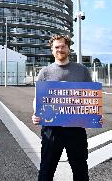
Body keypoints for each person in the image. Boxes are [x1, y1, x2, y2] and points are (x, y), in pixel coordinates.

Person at [31, 35, 103, 181]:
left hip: (76, 128)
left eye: (63, 46)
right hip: (52, 128)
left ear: (69, 48)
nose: (60, 49)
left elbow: (90, 98)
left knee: (80, 170)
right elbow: (38, 98)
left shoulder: (82, 70)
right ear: (52, 50)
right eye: (56, 47)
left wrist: (95, 115)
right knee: (46, 170)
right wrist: (36, 113)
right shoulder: (45, 72)